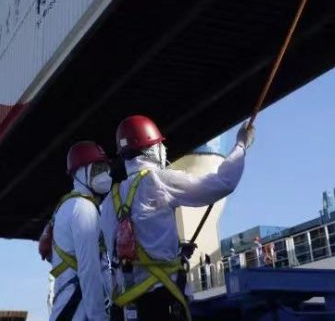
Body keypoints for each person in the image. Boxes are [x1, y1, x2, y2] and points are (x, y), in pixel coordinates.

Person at [101, 115, 253, 321]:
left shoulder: (111, 200)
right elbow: (222, 183)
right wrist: (241, 145)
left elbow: (129, 244)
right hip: (160, 305)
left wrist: (174, 251)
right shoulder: (157, 180)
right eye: (160, 145)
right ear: (152, 148)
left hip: (124, 307)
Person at [47, 141, 113, 321]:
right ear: (80, 173)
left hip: (69, 308)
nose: (105, 175)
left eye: (106, 168)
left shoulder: (68, 205)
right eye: (98, 169)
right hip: (79, 310)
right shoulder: (84, 208)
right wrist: (99, 317)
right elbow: (89, 270)